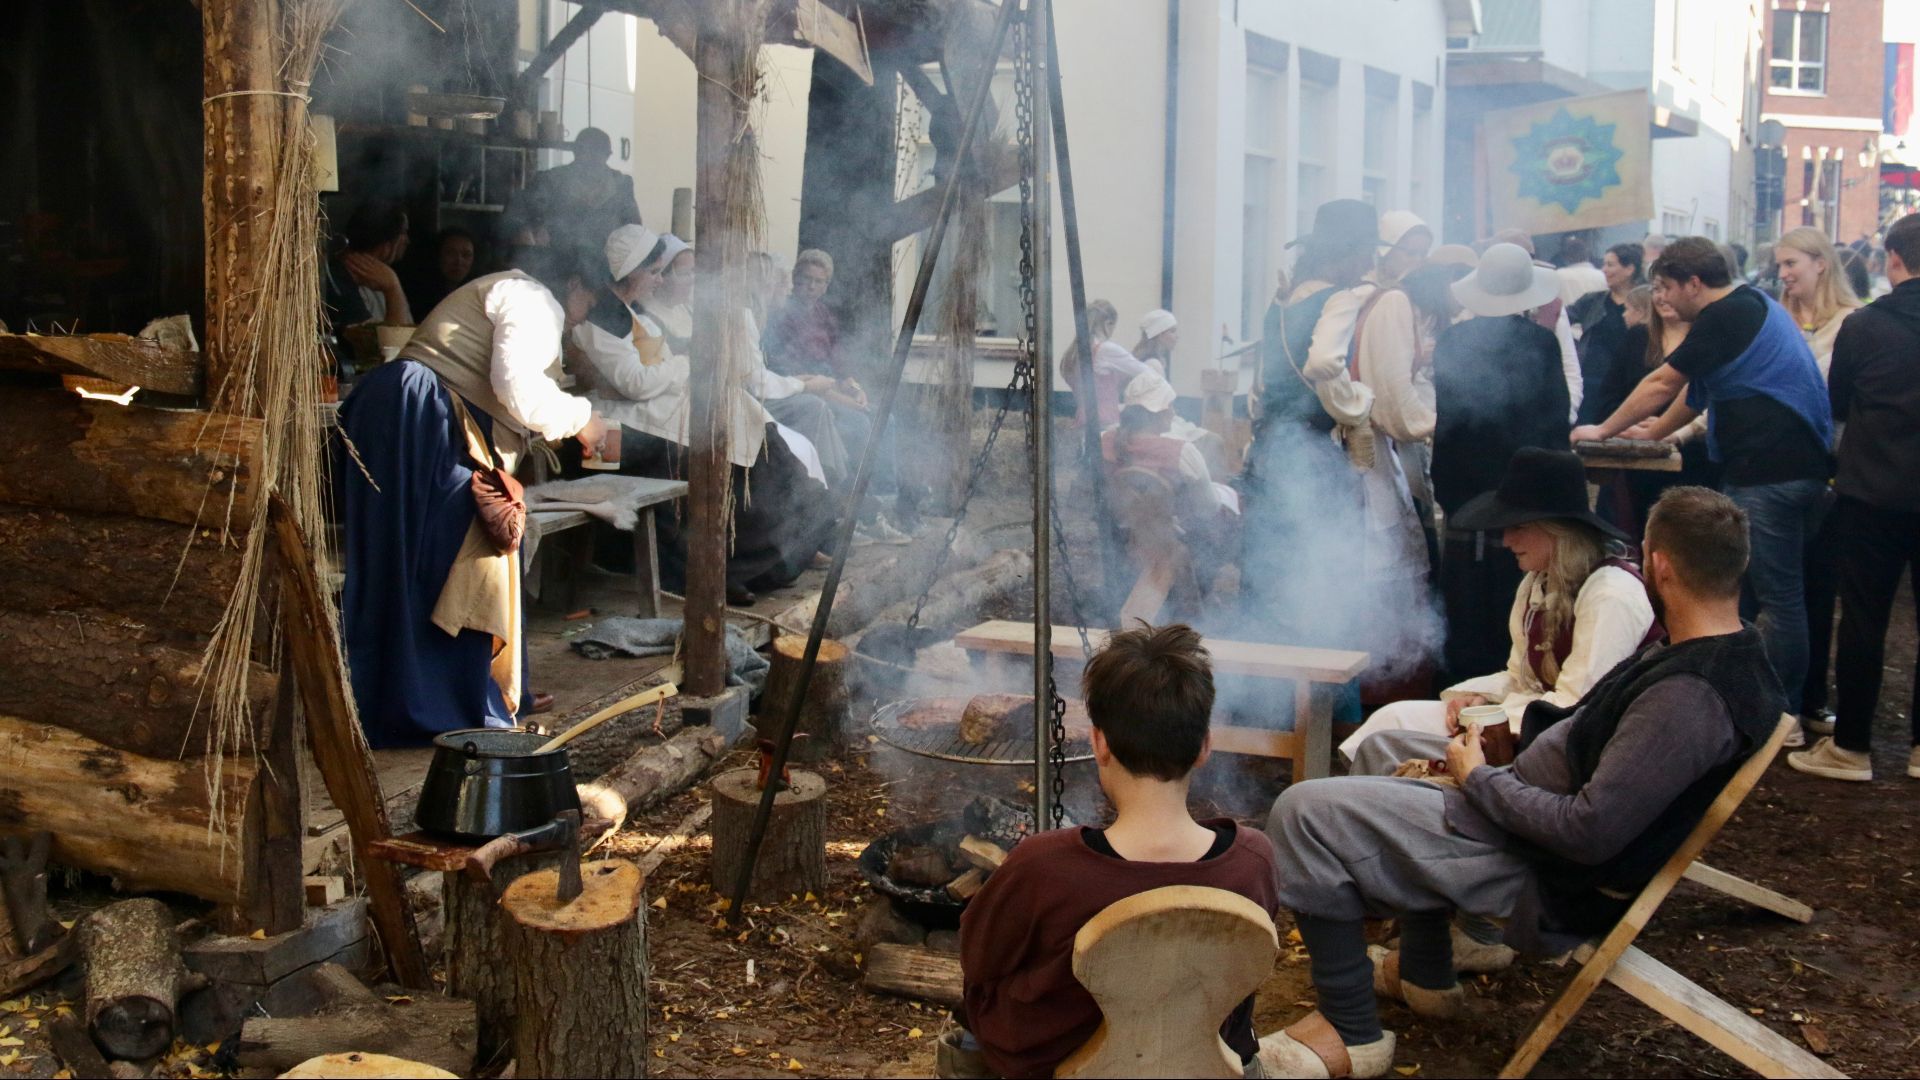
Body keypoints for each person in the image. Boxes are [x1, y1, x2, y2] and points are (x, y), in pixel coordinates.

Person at [1262, 487, 1784, 1077]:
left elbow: (1589, 832)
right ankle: (1426, 976)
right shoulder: (1717, 652)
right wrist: (1499, 757)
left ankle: (1351, 1031)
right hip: (1516, 819)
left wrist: (1480, 779)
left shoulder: (1691, 698)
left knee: (1302, 812)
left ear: (1660, 564)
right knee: (1392, 757)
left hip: (1540, 872)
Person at [957, 624, 1282, 1079]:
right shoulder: (1253, 860)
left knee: (968, 1020)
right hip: (1204, 1065)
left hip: (1057, 1070)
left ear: (1100, 743)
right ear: (1205, 747)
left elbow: (978, 961)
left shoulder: (1043, 866)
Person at [337, 245, 606, 747]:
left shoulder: (514, 293)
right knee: (449, 556)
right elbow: (517, 388)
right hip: (422, 420)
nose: (585, 314)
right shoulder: (533, 299)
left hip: (408, 414)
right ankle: (436, 702)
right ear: (574, 288)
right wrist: (582, 419)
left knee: (420, 561)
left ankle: (450, 693)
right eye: (590, 301)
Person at [1571, 237, 1833, 732]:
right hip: (1778, 468)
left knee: (1780, 598)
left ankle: (1785, 716)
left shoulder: (1727, 313)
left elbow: (1662, 383)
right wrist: (1652, 432)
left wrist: (1601, 430)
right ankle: (1759, 703)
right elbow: (1695, 394)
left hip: (1773, 472)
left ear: (1695, 283)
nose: (1664, 298)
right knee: (1757, 594)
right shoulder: (1747, 306)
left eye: (1668, 287)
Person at [570, 225, 839, 606]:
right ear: (632, 272)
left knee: (766, 450)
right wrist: (686, 364)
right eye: (654, 272)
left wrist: (678, 368)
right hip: (621, 429)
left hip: (659, 412)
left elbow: (654, 375)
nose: (658, 279)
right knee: (717, 461)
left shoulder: (636, 317)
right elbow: (635, 383)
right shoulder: (597, 326)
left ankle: (773, 552)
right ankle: (722, 569)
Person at [1342, 448, 1657, 762]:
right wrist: (1474, 698)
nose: (1506, 541)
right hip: (1537, 719)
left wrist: (1487, 717)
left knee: (1395, 745)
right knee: (1393, 719)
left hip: (1583, 742)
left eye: (1518, 527)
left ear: (1558, 529)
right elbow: (1520, 678)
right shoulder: (1536, 584)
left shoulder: (1611, 593)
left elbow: (1576, 704)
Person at [1788, 212, 1920, 782]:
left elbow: (1835, 403)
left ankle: (1852, 748)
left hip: (1873, 492)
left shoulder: (1865, 326)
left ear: (1892, 260)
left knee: (1864, 619)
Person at [1431, 244, 1573, 680]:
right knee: (1517, 610)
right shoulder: (1541, 342)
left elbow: (1448, 426)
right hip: (1523, 500)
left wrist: (1450, 493)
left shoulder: (1452, 340)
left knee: (1464, 614)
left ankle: (1458, 701)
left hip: (1465, 498)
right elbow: (1554, 427)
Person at [1241, 200, 1376, 652]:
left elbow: (1259, 388)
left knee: (1268, 573)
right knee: (1314, 577)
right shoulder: (1340, 297)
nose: (1370, 263)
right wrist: (1354, 406)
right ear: (1351, 252)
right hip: (1310, 455)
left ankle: (1265, 699)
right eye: (1367, 251)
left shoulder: (1282, 302)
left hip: (1269, 452)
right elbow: (1323, 363)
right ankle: (1316, 704)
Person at [1774, 227, 1863, 731]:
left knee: (1816, 588)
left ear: (1820, 264)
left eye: (1792, 264)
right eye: (1780, 266)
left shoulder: (1851, 324)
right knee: (1776, 593)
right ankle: (1784, 700)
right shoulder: (1776, 320)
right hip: (1780, 464)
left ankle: (1810, 698)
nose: (1784, 275)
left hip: (1829, 472)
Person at [1492, 229, 1583, 424]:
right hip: (1489, 416)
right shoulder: (1476, 305)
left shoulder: (1549, 305)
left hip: (1541, 417)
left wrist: (1568, 413)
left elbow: (1568, 366)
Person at [506, 127, 640, 256]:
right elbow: (518, 212)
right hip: (559, 261)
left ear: (607, 155)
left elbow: (634, 230)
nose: (589, 158)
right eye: (584, 151)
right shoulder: (552, 180)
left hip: (606, 265)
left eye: (596, 152)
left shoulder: (622, 185)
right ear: (575, 152)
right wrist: (533, 227)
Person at [1566, 243, 1646, 425]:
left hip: (1629, 383)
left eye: (1610, 265)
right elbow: (1562, 318)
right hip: (1592, 381)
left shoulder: (1647, 301)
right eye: (1604, 264)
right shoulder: (1592, 300)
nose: (1604, 270)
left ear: (1629, 269)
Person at [323, 200, 414, 350]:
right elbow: (390, 349)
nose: (407, 241)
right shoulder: (338, 282)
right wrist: (393, 289)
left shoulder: (382, 279)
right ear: (386, 244)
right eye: (403, 233)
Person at [406, 226, 479, 318]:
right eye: (450, 253)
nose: (459, 261)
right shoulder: (418, 295)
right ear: (438, 255)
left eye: (466, 255)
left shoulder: (479, 296)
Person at [1375, 211, 1433, 287]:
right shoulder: (1365, 292)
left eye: (1423, 254)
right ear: (1387, 252)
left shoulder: (1428, 290)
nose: (1418, 260)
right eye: (1411, 253)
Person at [1553, 236, 1607, 306]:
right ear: (1588, 255)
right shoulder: (1603, 276)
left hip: (1568, 316)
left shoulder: (1558, 276)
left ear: (1566, 257)